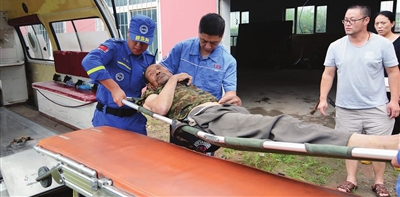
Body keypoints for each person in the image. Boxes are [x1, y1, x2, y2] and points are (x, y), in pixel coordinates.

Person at [135, 63, 399, 151]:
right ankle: (372, 143)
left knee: (261, 124)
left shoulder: (185, 84)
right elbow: (159, 109)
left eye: (160, 67)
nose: (158, 71)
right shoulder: (154, 94)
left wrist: (232, 101)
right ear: (148, 83)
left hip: (220, 110)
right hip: (204, 118)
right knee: (280, 124)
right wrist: (172, 79)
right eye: (152, 72)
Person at [318, 5, 400, 197]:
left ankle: (378, 182)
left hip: (377, 107)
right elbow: (328, 73)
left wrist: (394, 100)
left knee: (379, 146)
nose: (348, 24)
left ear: (366, 21)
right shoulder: (336, 46)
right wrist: (323, 98)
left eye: (353, 20)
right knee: (349, 144)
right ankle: (351, 179)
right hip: (346, 107)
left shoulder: (382, 44)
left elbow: (394, 72)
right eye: (345, 20)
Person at [160, 13, 241, 153]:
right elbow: (162, 73)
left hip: (205, 122)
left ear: (221, 37)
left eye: (214, 43)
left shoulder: (228, 62)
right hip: (179, 117)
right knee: (176, 157)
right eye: (203, 40)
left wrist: (233, 101)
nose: (208, 46)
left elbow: (230, 94)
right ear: (198, 32)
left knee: (203, 163)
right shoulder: (181, 49)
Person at [82, 14, 156, 135]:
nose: (138, 45)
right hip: (107, 119)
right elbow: (89, 61)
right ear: (128, 33)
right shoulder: (114, 47)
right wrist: (114, 88)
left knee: (138, 153)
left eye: (144, 42)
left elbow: (151, 88)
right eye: (135, 39)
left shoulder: (148, 60)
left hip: (134, 120)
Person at [375, 11, 400, 135]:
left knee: (395, 114)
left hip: (395, 84)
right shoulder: (372, 42)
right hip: (377, 85)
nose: (380, 26)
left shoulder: (398, 41)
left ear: (392, 24)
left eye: (383, 23)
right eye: (377, 23)